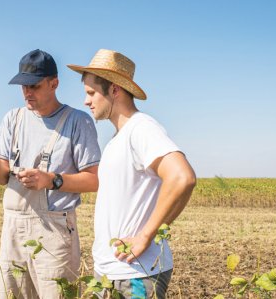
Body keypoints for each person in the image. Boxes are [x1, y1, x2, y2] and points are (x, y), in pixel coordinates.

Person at [0, 49, 101, 299]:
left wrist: (51, 180)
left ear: (54, 83)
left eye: (33, 86)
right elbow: (3, 177)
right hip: (13, 227)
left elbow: (94, 179)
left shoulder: (77, 121)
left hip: (54, 229)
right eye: (22, 86)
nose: (27, 92)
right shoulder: (12, 119)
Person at [67, 49, 196, 298]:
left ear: (115, 90)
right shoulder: (118, 138)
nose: (86, 101)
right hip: (112, 273)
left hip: (136, 274)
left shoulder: (141, 128)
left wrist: (146, 236)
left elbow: (183, 177)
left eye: (91, 92)